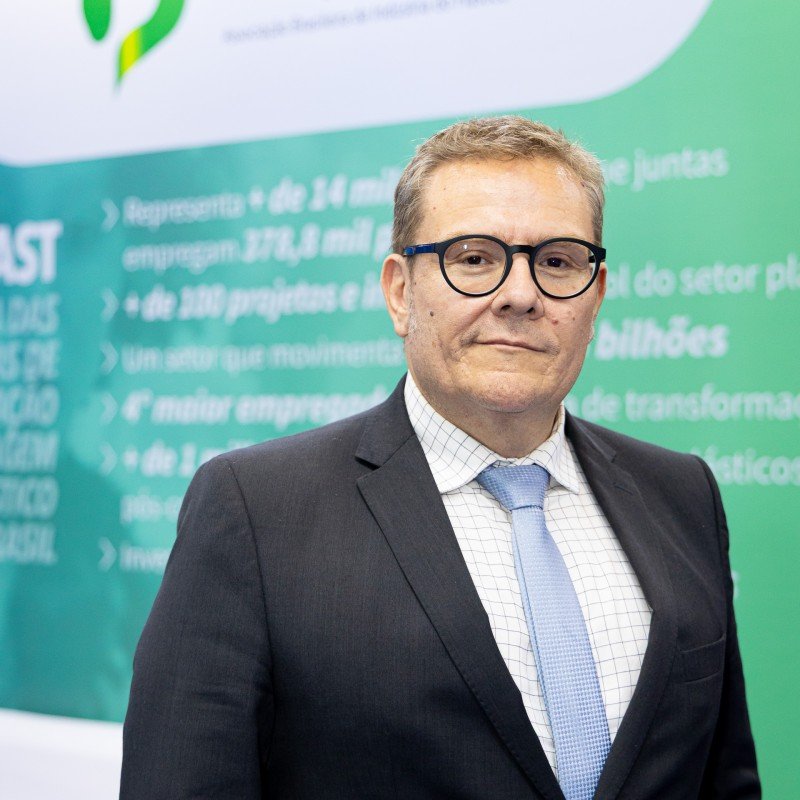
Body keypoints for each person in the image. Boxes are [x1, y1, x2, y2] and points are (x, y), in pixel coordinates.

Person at [120, 116, 760, 799]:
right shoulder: (255, 510)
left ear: (595, 295)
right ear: (401, 292)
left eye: (557, 262)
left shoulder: (682, 494)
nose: (521, 295)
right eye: (474, 258)